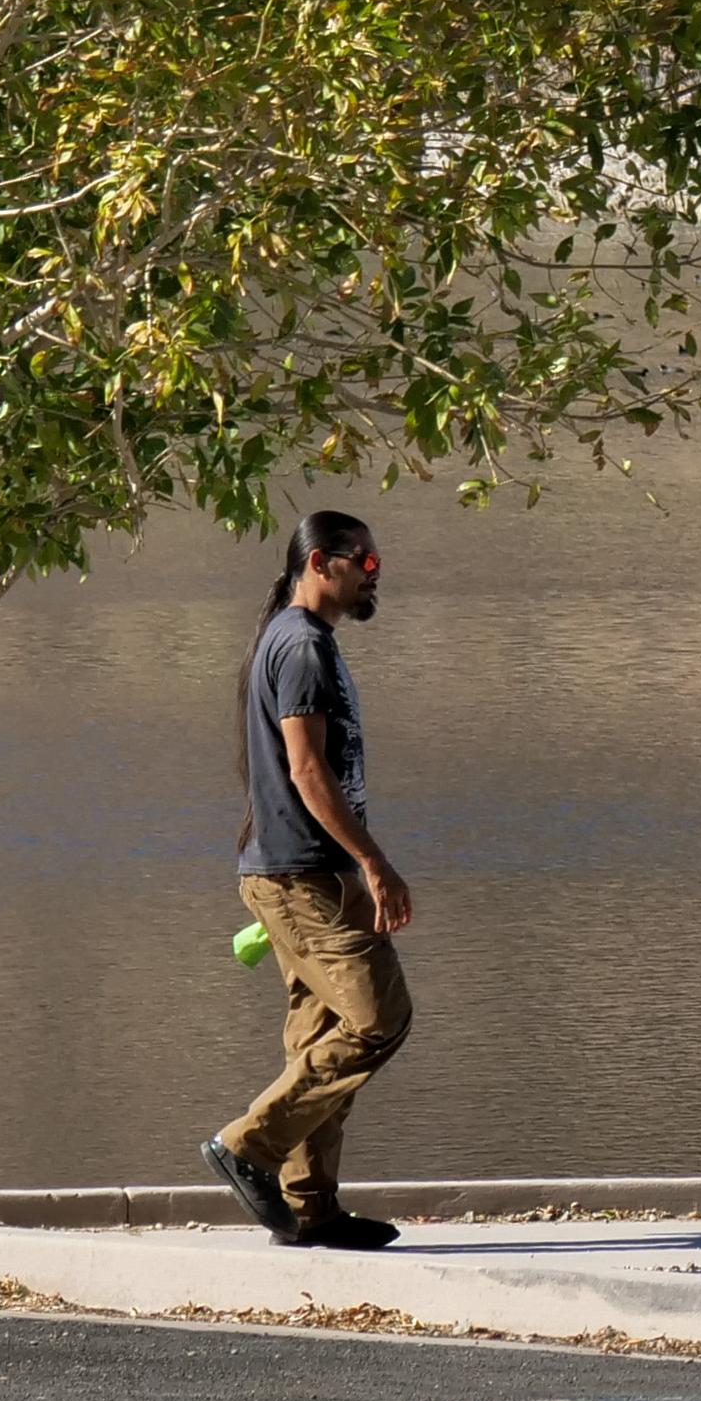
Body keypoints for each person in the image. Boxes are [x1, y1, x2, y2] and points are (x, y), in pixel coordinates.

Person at [202, 512, 413, 1252]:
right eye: (367, 565)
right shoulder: (299, 647)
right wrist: (374, 863)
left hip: (308, 873)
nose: (373, 577)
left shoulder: (306, 643)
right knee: (379, 1018)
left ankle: (310, 1209)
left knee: (320, 1038)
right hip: (298, 876)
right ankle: (247, 1146)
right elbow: (307, 770)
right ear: (322, 562)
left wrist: (348, 869)